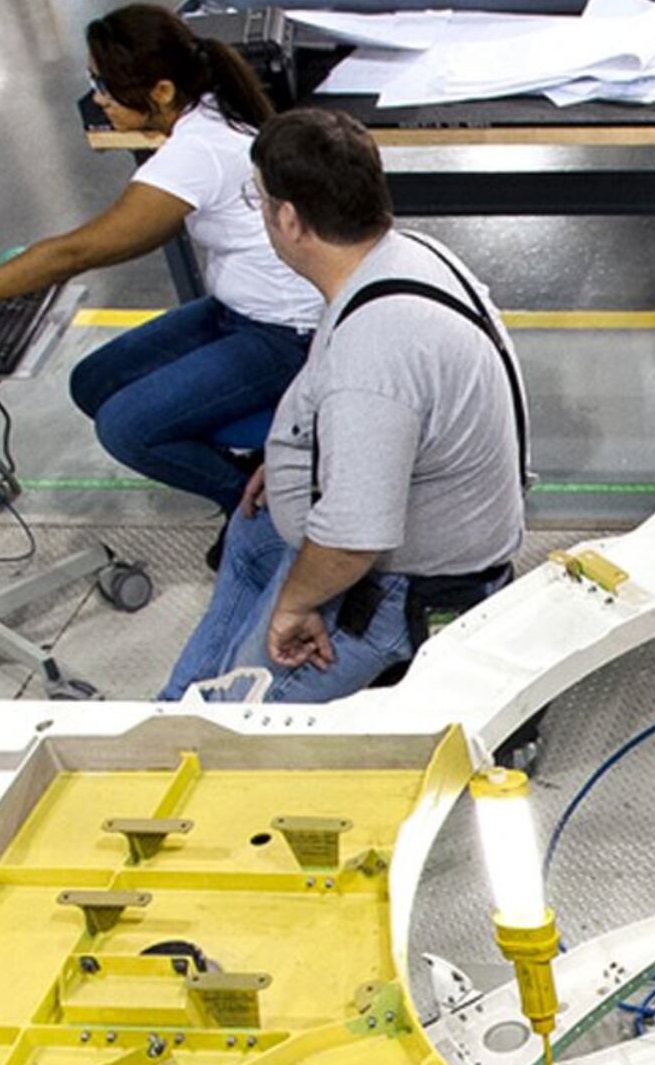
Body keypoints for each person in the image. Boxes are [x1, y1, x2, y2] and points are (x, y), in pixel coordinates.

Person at [159, 108, 529, 704]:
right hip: (390, 532)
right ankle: (177, 703)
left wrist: (294, 606)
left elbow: (354, 538)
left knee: (239, 719)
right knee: (251, 535)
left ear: (287, 217)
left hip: (391, 589)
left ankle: (207, 720)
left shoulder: (378, 351)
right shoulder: (398, 258)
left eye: (260, 201)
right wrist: (289, 466)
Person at [0, 7, 318, 514]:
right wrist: (22, 268)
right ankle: (256, 466)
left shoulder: (199, 150)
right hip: (237, 314)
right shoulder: (210, 112)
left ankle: (259, 507)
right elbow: (95, 235)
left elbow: (81, 251)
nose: (99, 99)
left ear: (162, 91)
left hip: (284, 335)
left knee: (126, 428)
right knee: (95, 383)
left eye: (105, 85)